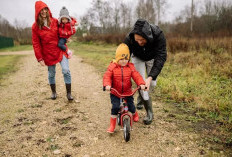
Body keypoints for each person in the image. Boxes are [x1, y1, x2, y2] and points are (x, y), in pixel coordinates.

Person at [124, 19, 167, 125]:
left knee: (151, 83)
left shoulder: (158, 35)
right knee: (142, 84)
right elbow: (123, 54)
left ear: (148, 36)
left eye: (142, 39)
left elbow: (161, 57)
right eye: (137, 40)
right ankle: (149, 112)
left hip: (152, 58)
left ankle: (141, 97)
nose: (139, 42)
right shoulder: (129, 38)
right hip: (137, 57)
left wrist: (150, 77)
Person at [32, 1, 74, 101]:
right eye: (41, 10)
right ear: (37, 12)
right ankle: (53, 92)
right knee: (51, 74)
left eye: (45, 9)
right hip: (48, 53)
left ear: (47, 10)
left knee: (66, 70)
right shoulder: (35, 27)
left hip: (60, 50)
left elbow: (65, 28)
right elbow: (36, 43)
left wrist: (66, 37)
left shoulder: (55, 21)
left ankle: (69, 94)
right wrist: (39, 58)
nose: (43, 11)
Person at [103, 43, 146, 133]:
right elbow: (107, 76)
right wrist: (107, 85)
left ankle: (134, 114)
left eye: (126, 59)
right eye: (121, 59)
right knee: (115, 107)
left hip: (127, 91)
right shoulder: (113, 67)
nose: (124, 61)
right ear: (117, 58)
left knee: (131, 106)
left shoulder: (130, 67)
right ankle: (112, 125)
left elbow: (136, 76)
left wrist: (141, 83)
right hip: (115, 92)